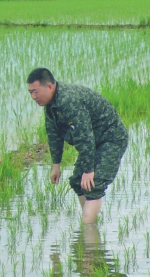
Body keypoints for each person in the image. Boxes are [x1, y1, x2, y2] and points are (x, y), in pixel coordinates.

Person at [27, 68, 128, 224]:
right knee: (77, 182)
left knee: (93, 184)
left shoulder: (68, 101)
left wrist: (88, 170)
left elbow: (84, 136)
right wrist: (56, 165)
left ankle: (89, 236)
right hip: (94, 141)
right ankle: (89, 222)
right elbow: (53, 134)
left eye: (36, 92)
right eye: (30, 93)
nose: (33, 97)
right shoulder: (51, 105)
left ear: (49, 87)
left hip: (111, 138)